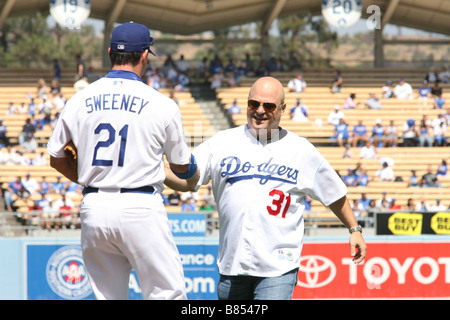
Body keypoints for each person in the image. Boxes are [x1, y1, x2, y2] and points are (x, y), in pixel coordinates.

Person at [164, 76, 366, 300]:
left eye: (268, 106)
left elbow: (334, 194)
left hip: (278, 267)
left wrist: (354, 229)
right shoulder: (221, 142)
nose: (259, 111)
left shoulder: (301, 150)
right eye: (254, 104)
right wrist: (153, 169)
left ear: (282, 109)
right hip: (233, 265)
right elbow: (188, 181)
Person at [47, 22, 200, 300]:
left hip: (94, 206)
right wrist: (194, 171)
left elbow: (56, 158)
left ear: (109, 52)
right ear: (144, 55)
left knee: (108, 297)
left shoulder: (79, 99)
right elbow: (180, 166)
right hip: (140, 206)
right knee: (167, 294)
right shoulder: (161, 103)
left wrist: (87, 176)